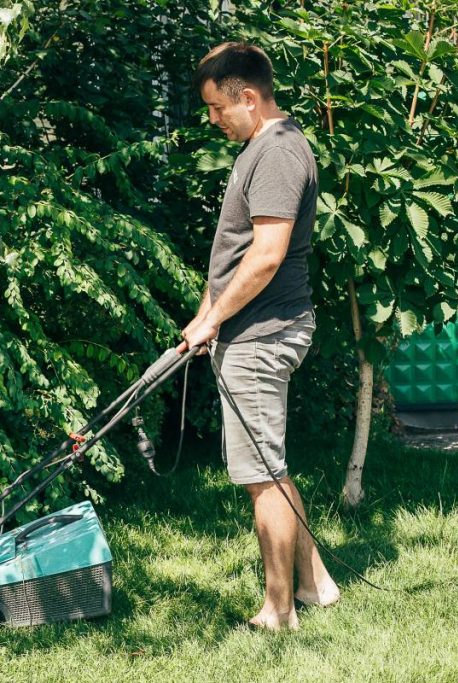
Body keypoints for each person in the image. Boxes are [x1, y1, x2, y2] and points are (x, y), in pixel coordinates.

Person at [176, 42, 340, 631]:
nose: (213, 118)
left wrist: (214, 320)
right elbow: (232, 255)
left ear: (249, 97)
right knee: (270, 467)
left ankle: (278, 610)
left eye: (219, 107)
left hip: (261, 335)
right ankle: (315, 584)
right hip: (245, 330)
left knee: (261, 475)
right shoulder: (258, 148)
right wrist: (204, 318)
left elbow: (267, 257)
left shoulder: (277, 154)